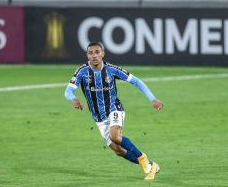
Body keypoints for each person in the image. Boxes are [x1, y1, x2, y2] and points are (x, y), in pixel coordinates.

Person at [64, 42, 164, 180]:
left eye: (97, 52)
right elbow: (68, 91)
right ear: (87, 55)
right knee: (118, 151)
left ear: (103, 54)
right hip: (98, 117)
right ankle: (151, 165)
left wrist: (152, 99)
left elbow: (136, 81)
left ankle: (142, 157)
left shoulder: (112, 69)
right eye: (90, 53)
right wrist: (73, 99)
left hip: (114, 108)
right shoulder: (82, 71)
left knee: (115, 136)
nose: (94, 55)